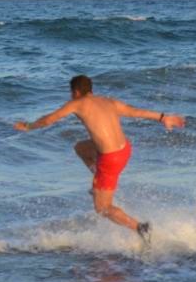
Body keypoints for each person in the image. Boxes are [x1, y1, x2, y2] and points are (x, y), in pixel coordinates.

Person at [14, 74, 184, 243]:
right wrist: (163, 117)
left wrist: (28, 126)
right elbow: (135, 112)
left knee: (102, 208)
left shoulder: (77, 103)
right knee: (81, 148)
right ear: (91, 90)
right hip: (124, 150)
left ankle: (141, 228)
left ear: (75, 92)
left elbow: (49, 119)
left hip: (110, 159)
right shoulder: (108, 101)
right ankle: (98, 178)